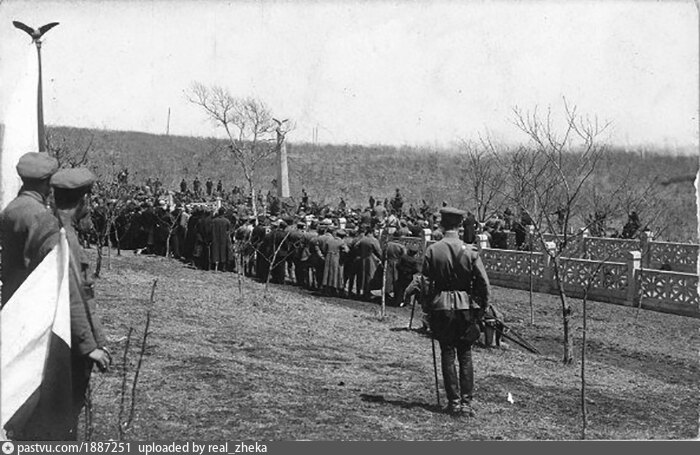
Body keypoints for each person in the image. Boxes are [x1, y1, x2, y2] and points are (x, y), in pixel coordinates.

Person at [421, 206, 490, 417]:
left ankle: (454, 402)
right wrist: (483, 307)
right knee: (465, 354)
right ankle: (466, 404)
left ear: (442, 224)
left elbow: (425, 283)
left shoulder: (433, 250)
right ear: (460, 225)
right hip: (465, 308)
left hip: (441, 307)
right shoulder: (470, 251)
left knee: (447, 353)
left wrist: (427, 306)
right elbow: (483, 284)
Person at [0, 152, 60, 306]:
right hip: (31, 300)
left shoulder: (9, 209)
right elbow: (53, 264)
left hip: (9, 294)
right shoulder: (42, 217)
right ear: (48, 183)